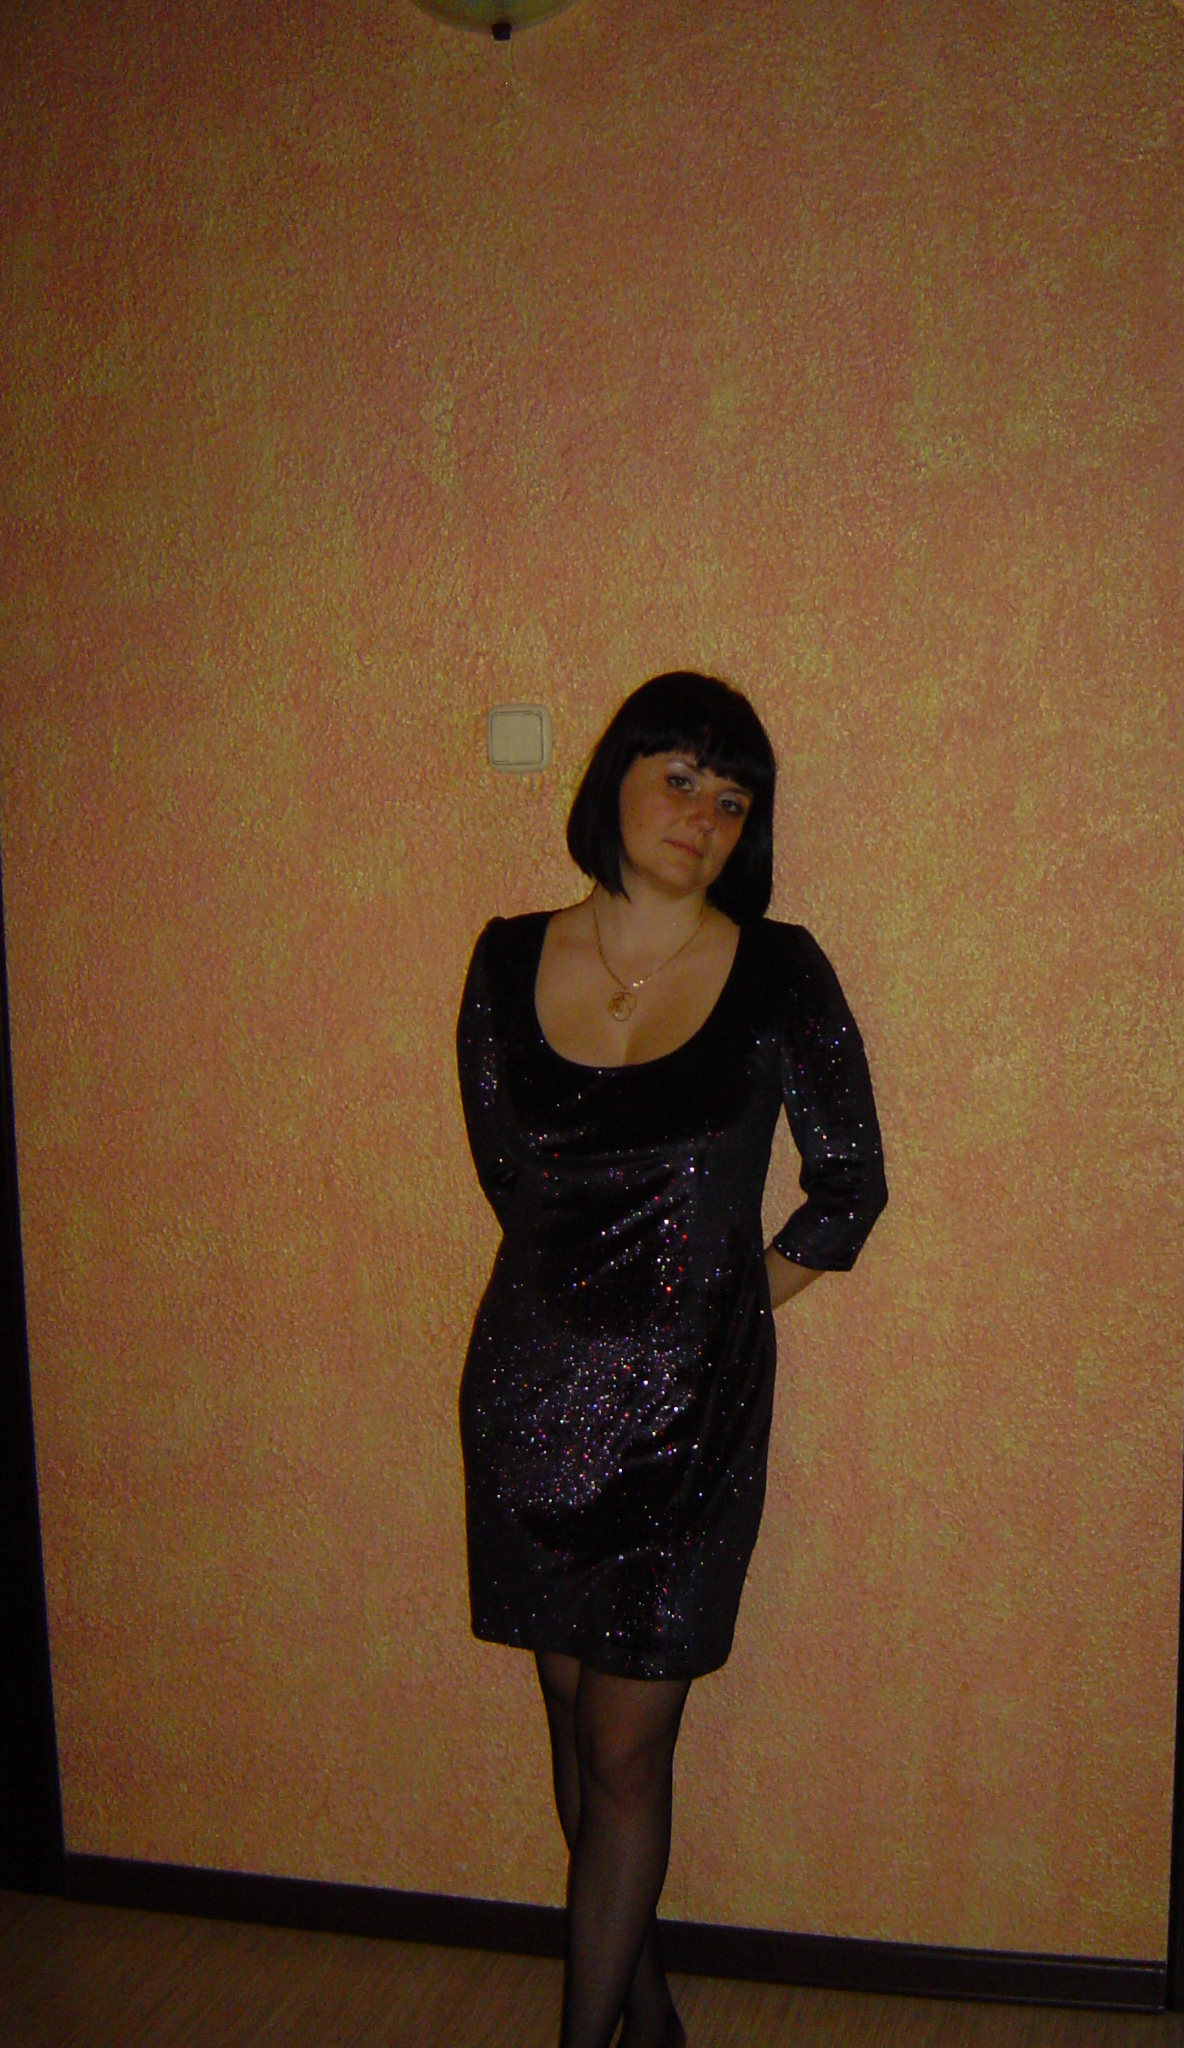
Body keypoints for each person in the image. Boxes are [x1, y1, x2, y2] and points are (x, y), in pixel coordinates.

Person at [456, 672, 887, 2048]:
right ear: (616, 782)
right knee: (574, 1729)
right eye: (682, 778)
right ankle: (645, 2015)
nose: (705, 815)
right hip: (529, 1401)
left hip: (692, 1418)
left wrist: (724, 1307)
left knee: (629, 1744)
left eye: (733, 798)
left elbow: (848, 1190)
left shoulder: (780, 972)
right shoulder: (504, 960)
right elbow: (512, 1182)